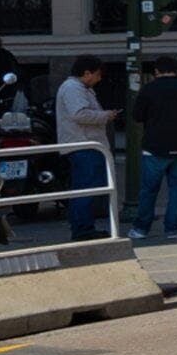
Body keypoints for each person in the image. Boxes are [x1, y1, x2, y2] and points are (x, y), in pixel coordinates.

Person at [130, 58, 177, 240]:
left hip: (155, 147)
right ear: (176, 71)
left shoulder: (149, 89)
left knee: (149, 190)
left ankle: (141, 229)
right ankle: (173, 229)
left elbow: (137, 115)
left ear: (156, 71)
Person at [53, 55, 117, 241]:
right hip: (83, 144)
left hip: (87, 144)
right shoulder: (73, 88)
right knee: (84, 189)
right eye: (97, 75)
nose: (99, 79)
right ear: (87, 73)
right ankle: (82, 229)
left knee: (85, 188)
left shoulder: (79, 88)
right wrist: (105, 115)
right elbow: (79, 114)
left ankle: (84, 227)